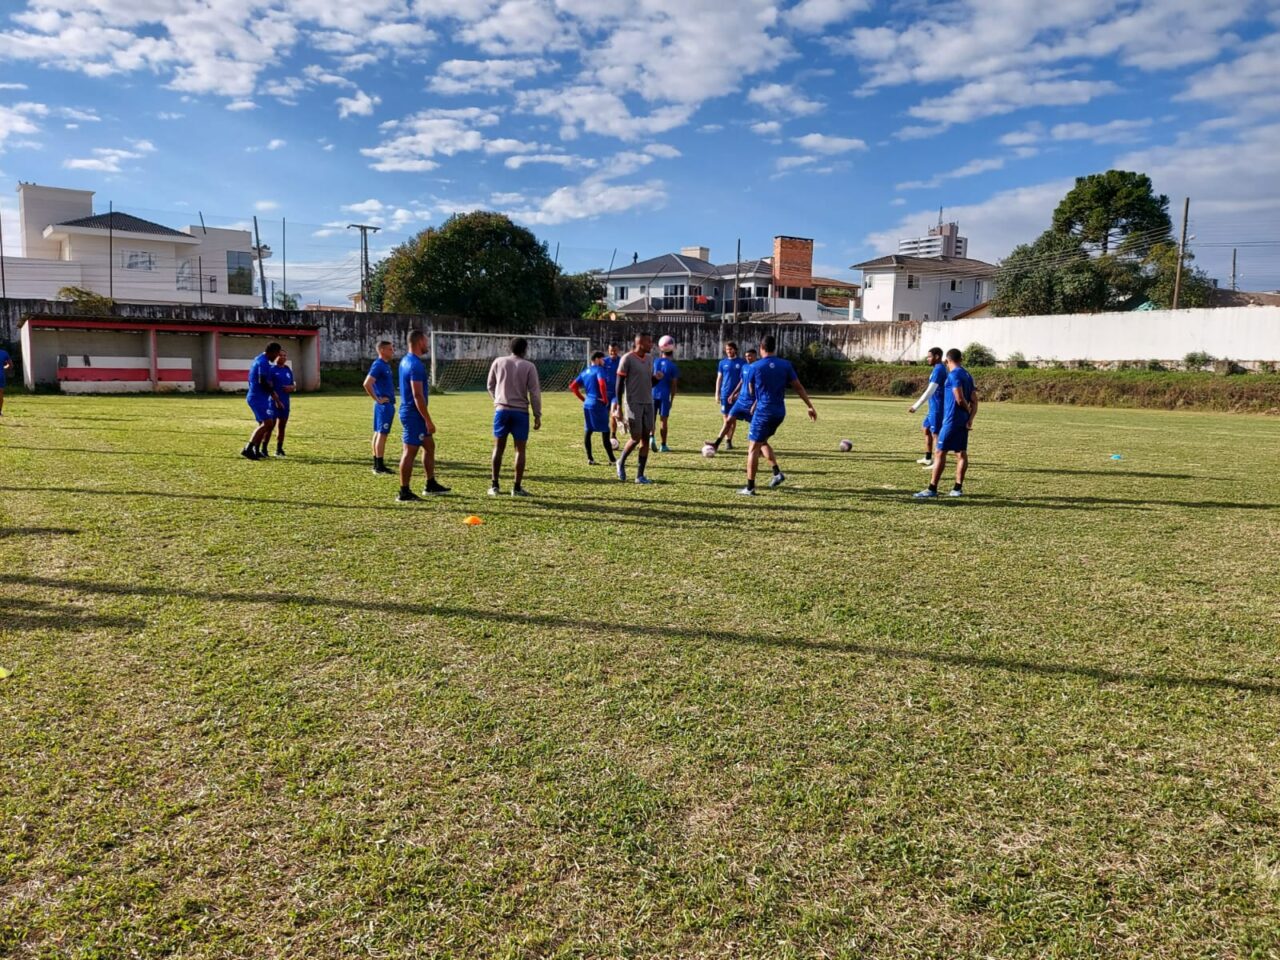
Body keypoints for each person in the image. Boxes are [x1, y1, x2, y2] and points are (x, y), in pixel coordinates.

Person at [739, 335, 817, 496]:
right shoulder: (786, 365)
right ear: (775, 348)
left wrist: (756, 402)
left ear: (761, 348)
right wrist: (810, 406)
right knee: (762, 442)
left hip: (764, 411)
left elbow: (752, 390)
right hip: (779, 412)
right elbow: (798, 387)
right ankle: (777, 473)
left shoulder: (754, 367)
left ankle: (750, 488)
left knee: (753, 448)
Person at [915, 348, 977, 499]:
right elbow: (975, 400)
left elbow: (959, 398)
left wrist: (966, 410)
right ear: (961, 359)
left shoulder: (954, 375)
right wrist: (970, 418)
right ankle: (957, 488)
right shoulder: (967, 375)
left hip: (951, 420)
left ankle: (932, 488)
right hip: (962, 420)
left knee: (940, 452)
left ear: (947, 360)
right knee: (961, 453)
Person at [397, 329, 450, 501]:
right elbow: (417, 395)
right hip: (414, 414)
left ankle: (430, 483)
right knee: (410, 451)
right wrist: (428, 420)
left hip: (414, 412)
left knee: (429, 446)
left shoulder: (405, 360)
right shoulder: (415, 365)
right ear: (420, 342)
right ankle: (404, 492)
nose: (427, 345)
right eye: (426, 341)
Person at [486, 337, 543, 497]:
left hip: (502, 411)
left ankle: (494, 485)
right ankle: (516, 488)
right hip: (521, 413)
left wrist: (497, 400)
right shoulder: (529, 366)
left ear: (510, 348)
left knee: (498, 447)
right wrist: (537, 415)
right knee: (520, 450)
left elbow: (490, 384)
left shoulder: (498, 362)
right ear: (525, 349)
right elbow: (534, 392)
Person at [614, 331, 662, 485]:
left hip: (649, 402)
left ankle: (640, 475)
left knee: (646, 438)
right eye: (649, 342)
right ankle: (620, 462)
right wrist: (619, 407)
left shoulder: (649, 359)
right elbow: (619, 384)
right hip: (633, 403)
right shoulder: (627, 359)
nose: (651, 345)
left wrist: (656, 379)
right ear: (640, 343)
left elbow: (649, 383)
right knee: (635, 438)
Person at [707, 347, 758, 450]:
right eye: (746, 356)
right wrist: (733, 393)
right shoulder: (745, 367)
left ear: (755, 356)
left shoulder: (758, 368)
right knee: (728, 420)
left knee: (755, 425)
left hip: (751, 401)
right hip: (740, 401)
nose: (748, 358)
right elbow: (741, 381)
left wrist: (756, 401)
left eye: (750, 356)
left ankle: (759, 446)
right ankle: (717, 444)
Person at [570, 351, 615, 466]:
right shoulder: (599, 370)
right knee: (605, 431)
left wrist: (584, 399)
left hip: (588, 404)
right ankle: (613, 460)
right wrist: (605, 399)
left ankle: (590, 458)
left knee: (588, 430)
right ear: (597, 359)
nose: (604, 361)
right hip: (598, 403)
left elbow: (573, 386)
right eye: (602, 359)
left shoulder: (585, 371)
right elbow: (601, 383)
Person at [241, 342, 285, 460]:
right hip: (257, 397)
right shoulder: (263, 362)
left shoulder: (259, 359)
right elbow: (262, 381)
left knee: (264, 424)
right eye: (277, 355)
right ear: (274, 352)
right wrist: (274, 394)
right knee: (268, 424)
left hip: (259, 397)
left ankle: (255, 450)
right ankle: (248, 448)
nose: (276, 358)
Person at [907, 347, 946, 467]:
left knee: (936, 434)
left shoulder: (939, 370)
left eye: (929, 356)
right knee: (926, 429)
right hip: (933, 407)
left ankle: (937, 462)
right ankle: (928, 458)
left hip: (938, 407)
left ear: (937, 356)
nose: (927, 358)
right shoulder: (936, 369)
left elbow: (930, 391)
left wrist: (915, 406)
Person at [363, 340, 397, 475]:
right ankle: (379, 466)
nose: (392, 351)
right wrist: (377, 399)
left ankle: (377, 464)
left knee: (378, 433)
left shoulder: (385, 365)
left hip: (383, 405)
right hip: (384, 405)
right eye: (390, 349)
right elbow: (367, 383)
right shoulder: (379, 365)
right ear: (382, 350)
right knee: (382, 434)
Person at [709, 341, 746, 450]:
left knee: (733, 420)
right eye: (727, 349)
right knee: (726, 419)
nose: (729, 351)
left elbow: (744, 379)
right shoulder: (722, 363)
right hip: (725, 395)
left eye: (730, 349)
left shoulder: (742, 363)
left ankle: (729, 440)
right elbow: (719, 378)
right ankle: (727, 440)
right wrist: (717, 393)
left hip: (737, 396)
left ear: (735, 349)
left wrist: (739, 393)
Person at [263, 350, 295, 457]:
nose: (283, 357)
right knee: (269, 427)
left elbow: (292, 385)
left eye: (285, 355)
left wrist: (292, 387)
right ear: (276, 357)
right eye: (281, 355)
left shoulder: (287, 370)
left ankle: (279, 449)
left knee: (282, 426)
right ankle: (264, 449)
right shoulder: (271, 370)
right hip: (273, 402)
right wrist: (277, 401)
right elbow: (269, 388)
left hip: (285, 402)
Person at [650, 338, 679, 452]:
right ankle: (663, 445)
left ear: (661, 351)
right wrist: (671, 399)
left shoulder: (654, 362)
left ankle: (651, 437)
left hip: (652, 394)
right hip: (664, 395)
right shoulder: (673, 366)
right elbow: (674, 385)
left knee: (651, 419)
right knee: (663, 420)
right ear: (672, 353)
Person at [602, 342, 622, 444]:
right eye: (611, 351)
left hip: (616, 393)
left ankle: (613, 435)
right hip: (605, 393)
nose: (613, 352)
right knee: (604, 416)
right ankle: (605, 435)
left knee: (613, 413)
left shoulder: (622, 361)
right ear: (608, 351)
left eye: (614, 351)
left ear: (617, 351)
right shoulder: (604, 362)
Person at [0, 344, 11, 417]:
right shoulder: (4, 353)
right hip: (1, 375)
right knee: (0, 395)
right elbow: (10, 365)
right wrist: (3, 368)